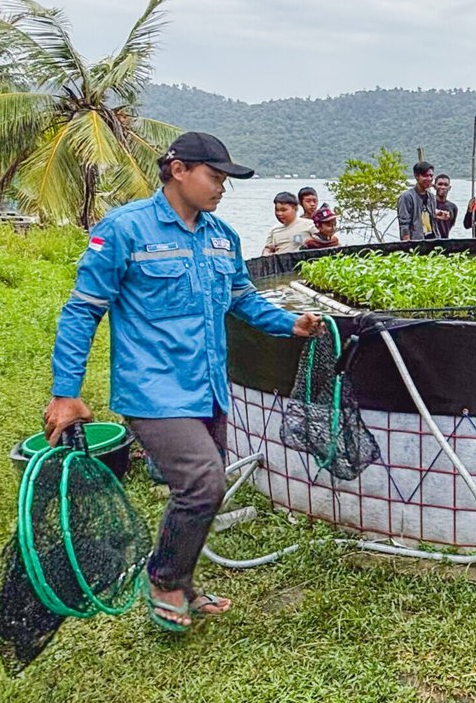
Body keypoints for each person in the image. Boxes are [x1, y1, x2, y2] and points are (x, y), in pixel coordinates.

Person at [44, 131, 326, 632]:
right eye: (214, 177)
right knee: (203, 481)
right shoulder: (125, 230)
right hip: (152, 388)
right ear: (178, 170)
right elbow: (82, 310)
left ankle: (185, 583)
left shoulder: (222, 237)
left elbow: (242, 298)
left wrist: (291, 324)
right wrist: (66, 392)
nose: (221, 188)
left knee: (202, 491)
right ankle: (165, 581)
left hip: (209, 386)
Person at [397, 161, 437, 241]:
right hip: (416, 241)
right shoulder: (407, 197)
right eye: (425, 176)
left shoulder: (431, 197)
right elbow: (404, 224)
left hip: (432, 240)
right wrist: (407, 244)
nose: (429, 179)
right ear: (417, 176)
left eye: (431, 176)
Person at [431, 173, 458, 238]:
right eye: (440, 184)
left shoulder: (453, 207)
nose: (443, 187)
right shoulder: (428, 204)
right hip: (430, 240)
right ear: (434, 186)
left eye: (446, 185)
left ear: (449, 188)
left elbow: (450, 225)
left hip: (445, 240)